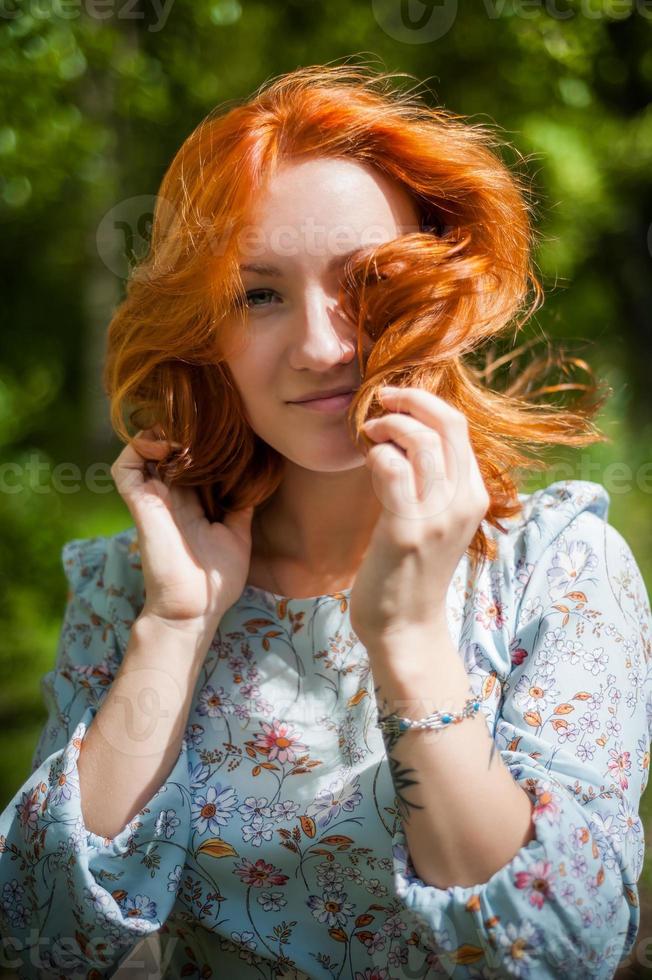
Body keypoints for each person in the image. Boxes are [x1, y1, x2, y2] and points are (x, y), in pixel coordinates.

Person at [1, 60, 650, 980]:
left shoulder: (558, 564)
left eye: (367, 281)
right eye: (258, 293)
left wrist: (410, 640)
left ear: (444, 288)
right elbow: (38, 945)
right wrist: (177, 626)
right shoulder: (131, 585)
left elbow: (565, 951)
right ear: (202, 330)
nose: (321, 346)